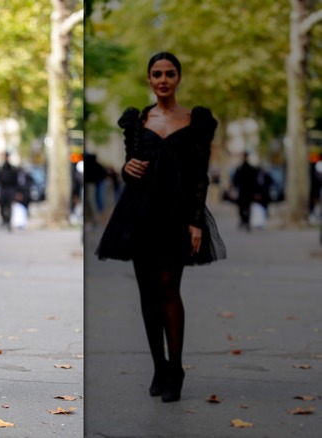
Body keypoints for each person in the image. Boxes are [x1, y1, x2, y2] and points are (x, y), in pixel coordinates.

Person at [95, 52, 226, 403]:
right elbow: (129, 165)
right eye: (157, 74)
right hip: (141, 213)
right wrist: (128, 169)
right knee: (147, 293)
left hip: (178, 213)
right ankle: (158, 365)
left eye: (170, 73)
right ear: (149, 80)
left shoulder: (197, 121)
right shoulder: (136, 122)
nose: (163, 79)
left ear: (178, 78)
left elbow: (200, 175)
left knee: (169, 286)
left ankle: (176, 369)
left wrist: (196, 220)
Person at [231, 152, 259, 231]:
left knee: (245, 206)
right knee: (243, 206)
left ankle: (245, 221)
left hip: (246, 191)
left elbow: (254, 180)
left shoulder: (247, 168)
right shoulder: (242, 168)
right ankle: (244, 220)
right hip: (244, 191)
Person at [0, 152, 19, 231]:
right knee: (1, 206)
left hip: (10, 189)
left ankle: (8, 222)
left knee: (9, 206)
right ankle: (4, 219)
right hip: (3, 188)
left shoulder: (13, 169)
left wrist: (16, 191)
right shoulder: (0, 168)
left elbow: (16, 181)